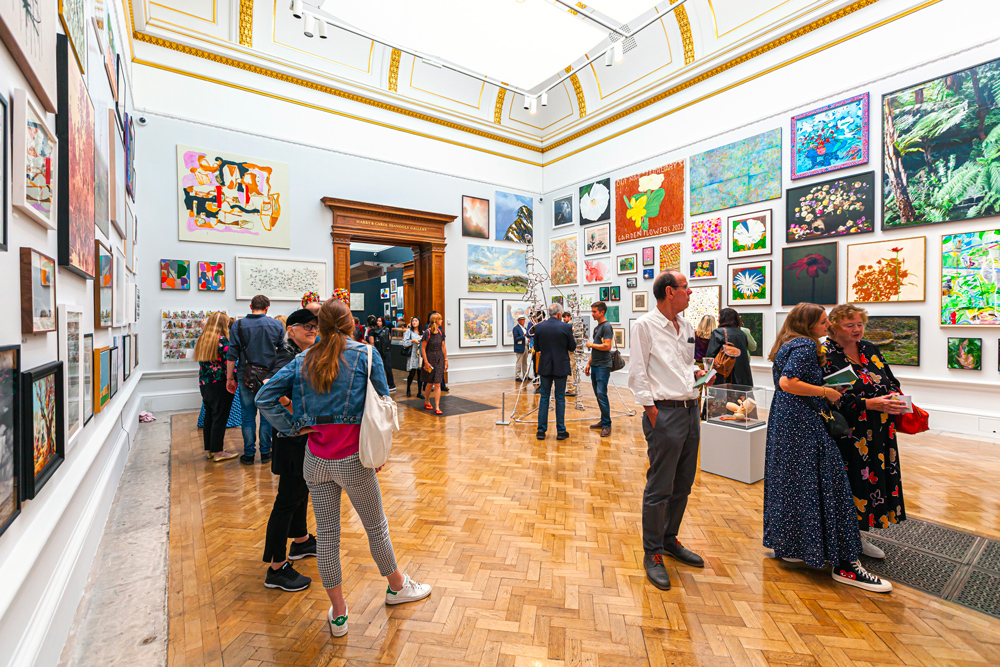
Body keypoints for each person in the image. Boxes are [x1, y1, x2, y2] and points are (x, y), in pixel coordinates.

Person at [255, 300, 432, 637]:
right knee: (376, 527)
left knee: (328, 538)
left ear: (318, 326)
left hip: (316, 460)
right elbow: (382, 400)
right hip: (354, 458)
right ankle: (396, 587)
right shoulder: (365, 355)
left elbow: (265, 398)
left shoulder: (303, 359)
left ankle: (339, 612)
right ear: (351, 324)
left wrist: (294, 426)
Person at [764, 303, 891, 593]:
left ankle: (793, 546)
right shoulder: (807, 346)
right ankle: (844, 562)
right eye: (823, 322)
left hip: (787, 419)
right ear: (809, 324)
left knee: (793, 483)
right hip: (802, 421)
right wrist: (826, 391)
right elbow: (788, 382)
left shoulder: (787, 343)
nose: (828, 326)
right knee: (827, 481)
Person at [628, 271, 709, 591]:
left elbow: (686, 364)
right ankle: (653, 553)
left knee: (683, 484)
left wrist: (700, 373)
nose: (690, 292)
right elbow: (636, 372)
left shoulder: (686, 326)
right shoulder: (644, 326)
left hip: (691, 413)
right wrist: (651, 411)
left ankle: (669, 539)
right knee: (660, 486)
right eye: (686, 287)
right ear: (670, 292)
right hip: (664, 413)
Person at [822, 304, 910, 558]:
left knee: (874, 482)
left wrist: (893, 396)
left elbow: (891, 380)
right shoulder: (827, 354)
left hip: (880, 429)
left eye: (860, 324)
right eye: (850, 325)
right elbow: (834, 397)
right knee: (852, 485)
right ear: (834, 326)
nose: (857, 329)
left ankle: (859, 536)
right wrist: (868, 403)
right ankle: (842, 539)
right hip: (850, 433)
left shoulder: (869, 348)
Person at [262, 309, 320, 592]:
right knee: (287, 499)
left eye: (315, 327)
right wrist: (295, 421)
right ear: (291, 329)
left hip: (297, 439)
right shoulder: (286, 358)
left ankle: (300, 540)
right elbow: (270, 392)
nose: (312, 330)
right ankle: (276, 568)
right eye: (306, 327)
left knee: (300, 491)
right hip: (290, 440)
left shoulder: (299, 354)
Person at [227, 295, 285, 465]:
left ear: (251, 306)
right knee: (267, 416)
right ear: (267, 307)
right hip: (269, 378)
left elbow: (231, 356)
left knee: (248, 416)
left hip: (245, 376)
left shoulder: (238, 325)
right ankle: (266, 452)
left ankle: (249, 454)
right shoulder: (276, 325)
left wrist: (229, 378)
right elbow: (283, 353)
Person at [194, 312, 239, 462]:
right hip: (220, 383)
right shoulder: (222, 341)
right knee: (220, 417)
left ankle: (210, 449)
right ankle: (219, 452)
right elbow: (230, 361)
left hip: (205, 384)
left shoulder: (203, 339)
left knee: (209, 416)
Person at [532, 303, 576, 441]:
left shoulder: (539, 327)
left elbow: (537, 347)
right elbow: (572, 347)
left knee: (544, 398)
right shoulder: (566, 327)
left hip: (545, 366)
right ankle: (561, 431)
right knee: (560, 398)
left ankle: (541, 431)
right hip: (560, 366)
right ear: (559, 314)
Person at [584, 301, 613, 438]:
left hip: (602, 366)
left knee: (602, 394)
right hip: (595, 365)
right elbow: (596, 348)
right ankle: (604, 420)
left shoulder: (607, 326)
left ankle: (607, 424)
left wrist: (591, 344)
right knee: (598, 395)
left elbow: (607, 346)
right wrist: (589, 363)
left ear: (602, 312)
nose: (592, 314)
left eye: (594, 311)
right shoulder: (598, 328)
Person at [704, 308, 753, 386]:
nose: (717, 319)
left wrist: (707, 374)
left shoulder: (718, 332)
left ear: (724, 318)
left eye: (719, 317)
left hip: (724, 375)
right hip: (742, 377)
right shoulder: (742, 333)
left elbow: (710, 355)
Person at [421, 313, 447, 415]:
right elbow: (423, 348)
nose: (442, 321)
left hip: (439, 359)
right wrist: (426, 362)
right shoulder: (427, 333)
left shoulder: (441, 332)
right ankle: (427, 400)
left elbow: (443, 347)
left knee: (437, 383)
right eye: (440, 319)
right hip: (430, 359)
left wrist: (446, 359)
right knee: (430, 382)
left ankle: (437, 406)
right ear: (436, 321)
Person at [367, 316, 396, 392]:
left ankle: (391, 384)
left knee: (387, 367)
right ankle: (380, 385)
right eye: (377, 321)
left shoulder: (384, 330)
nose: (378, 322)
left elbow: (388, 339)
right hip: (380, 350)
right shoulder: (374, 331)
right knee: (378, 367)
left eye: (380, 321)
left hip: (384, 350)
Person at [402, 317, 424, 398]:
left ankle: (419, 392)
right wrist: (412, 341)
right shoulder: (409, 331)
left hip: (420, 356)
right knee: (411, 374)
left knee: (420, 374)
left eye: (416, 321)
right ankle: (408, 389)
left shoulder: (423, 332)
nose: (414, 322)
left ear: (419, 322)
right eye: (413, 321)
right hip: (412, 355)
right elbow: (404, 343)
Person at [512, 315, 530, 382]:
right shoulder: (516, 328)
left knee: (525, 362)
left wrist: (527, 339)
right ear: (518, 321)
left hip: (525, 347)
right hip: (520, 348)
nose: (523, 321)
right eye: (522, 320)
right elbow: (516, 339)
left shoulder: (524, 328)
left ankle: (525, 375)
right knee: (519, 363)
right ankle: (517, 376)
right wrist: (523, 336)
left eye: (524, 320)